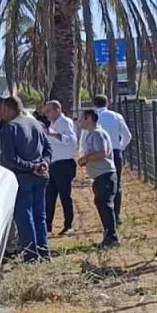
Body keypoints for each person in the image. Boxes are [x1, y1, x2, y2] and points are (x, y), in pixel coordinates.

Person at [0, 95, 52, 261]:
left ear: (9, 109)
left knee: (25, 216)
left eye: (3, 110)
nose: (1, 114)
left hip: (22, 178)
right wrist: (43, 164)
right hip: (41, 175)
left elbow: (9, 159)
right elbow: (48, 149)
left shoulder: (9, 128)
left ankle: (31, 254)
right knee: (40, 215)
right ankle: (44, 250)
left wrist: (31, 167)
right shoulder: (36, 124)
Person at [76, 109, 120, 248]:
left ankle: (112, 238)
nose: (79, 122)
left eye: (82, 118)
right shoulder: (92, 134)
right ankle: (109, 236)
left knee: (106, 206)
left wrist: (85, 159)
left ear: (89, 118)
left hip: (105, 175)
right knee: (102, 205)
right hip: (100, 176)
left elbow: (102, 153)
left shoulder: (97, 134)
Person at [92, 95, 132, 225]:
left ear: (94, 104)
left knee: (99, 182)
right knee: (116, 184)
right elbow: (127, 136)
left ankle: (105, 213)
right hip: (114, 152)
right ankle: (116, 214)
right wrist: (119, 148)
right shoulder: (116, 116)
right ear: (107, 103)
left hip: (98, 154)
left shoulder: (93, 118)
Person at [42, 100, 79, 235]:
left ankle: (69, 225)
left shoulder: (64, 122)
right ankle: (47, 227)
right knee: (49, 197)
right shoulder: (53, 124)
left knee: (65, 196)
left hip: (64, 165)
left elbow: (71, 140)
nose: (46, 114)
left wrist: (52, 134)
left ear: (57, 109)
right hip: (53, 165)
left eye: (48, 111)